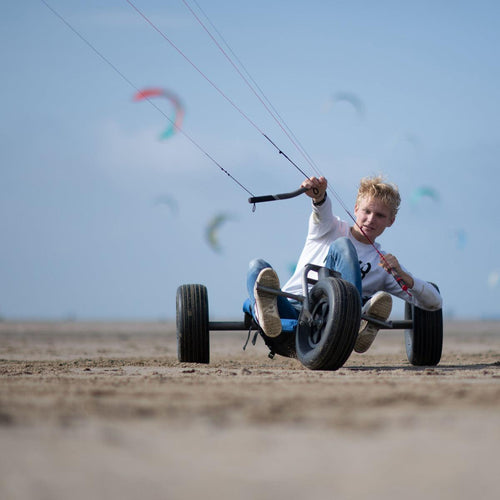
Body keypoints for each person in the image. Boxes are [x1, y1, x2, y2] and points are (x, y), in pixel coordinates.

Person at [247, 175, 442, 353]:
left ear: (391, 221)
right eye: (366, 211)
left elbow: (434, 302)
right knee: (257, 267)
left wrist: (403, 276)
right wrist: (319, 196)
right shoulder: (328, 228)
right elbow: (322, 209)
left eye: (380, 216)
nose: (371, 219)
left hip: (331, 323)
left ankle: (352, 319)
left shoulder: (384, 264)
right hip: (289, 314)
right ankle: (267, 315)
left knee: (344, 248)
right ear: (356, 208)